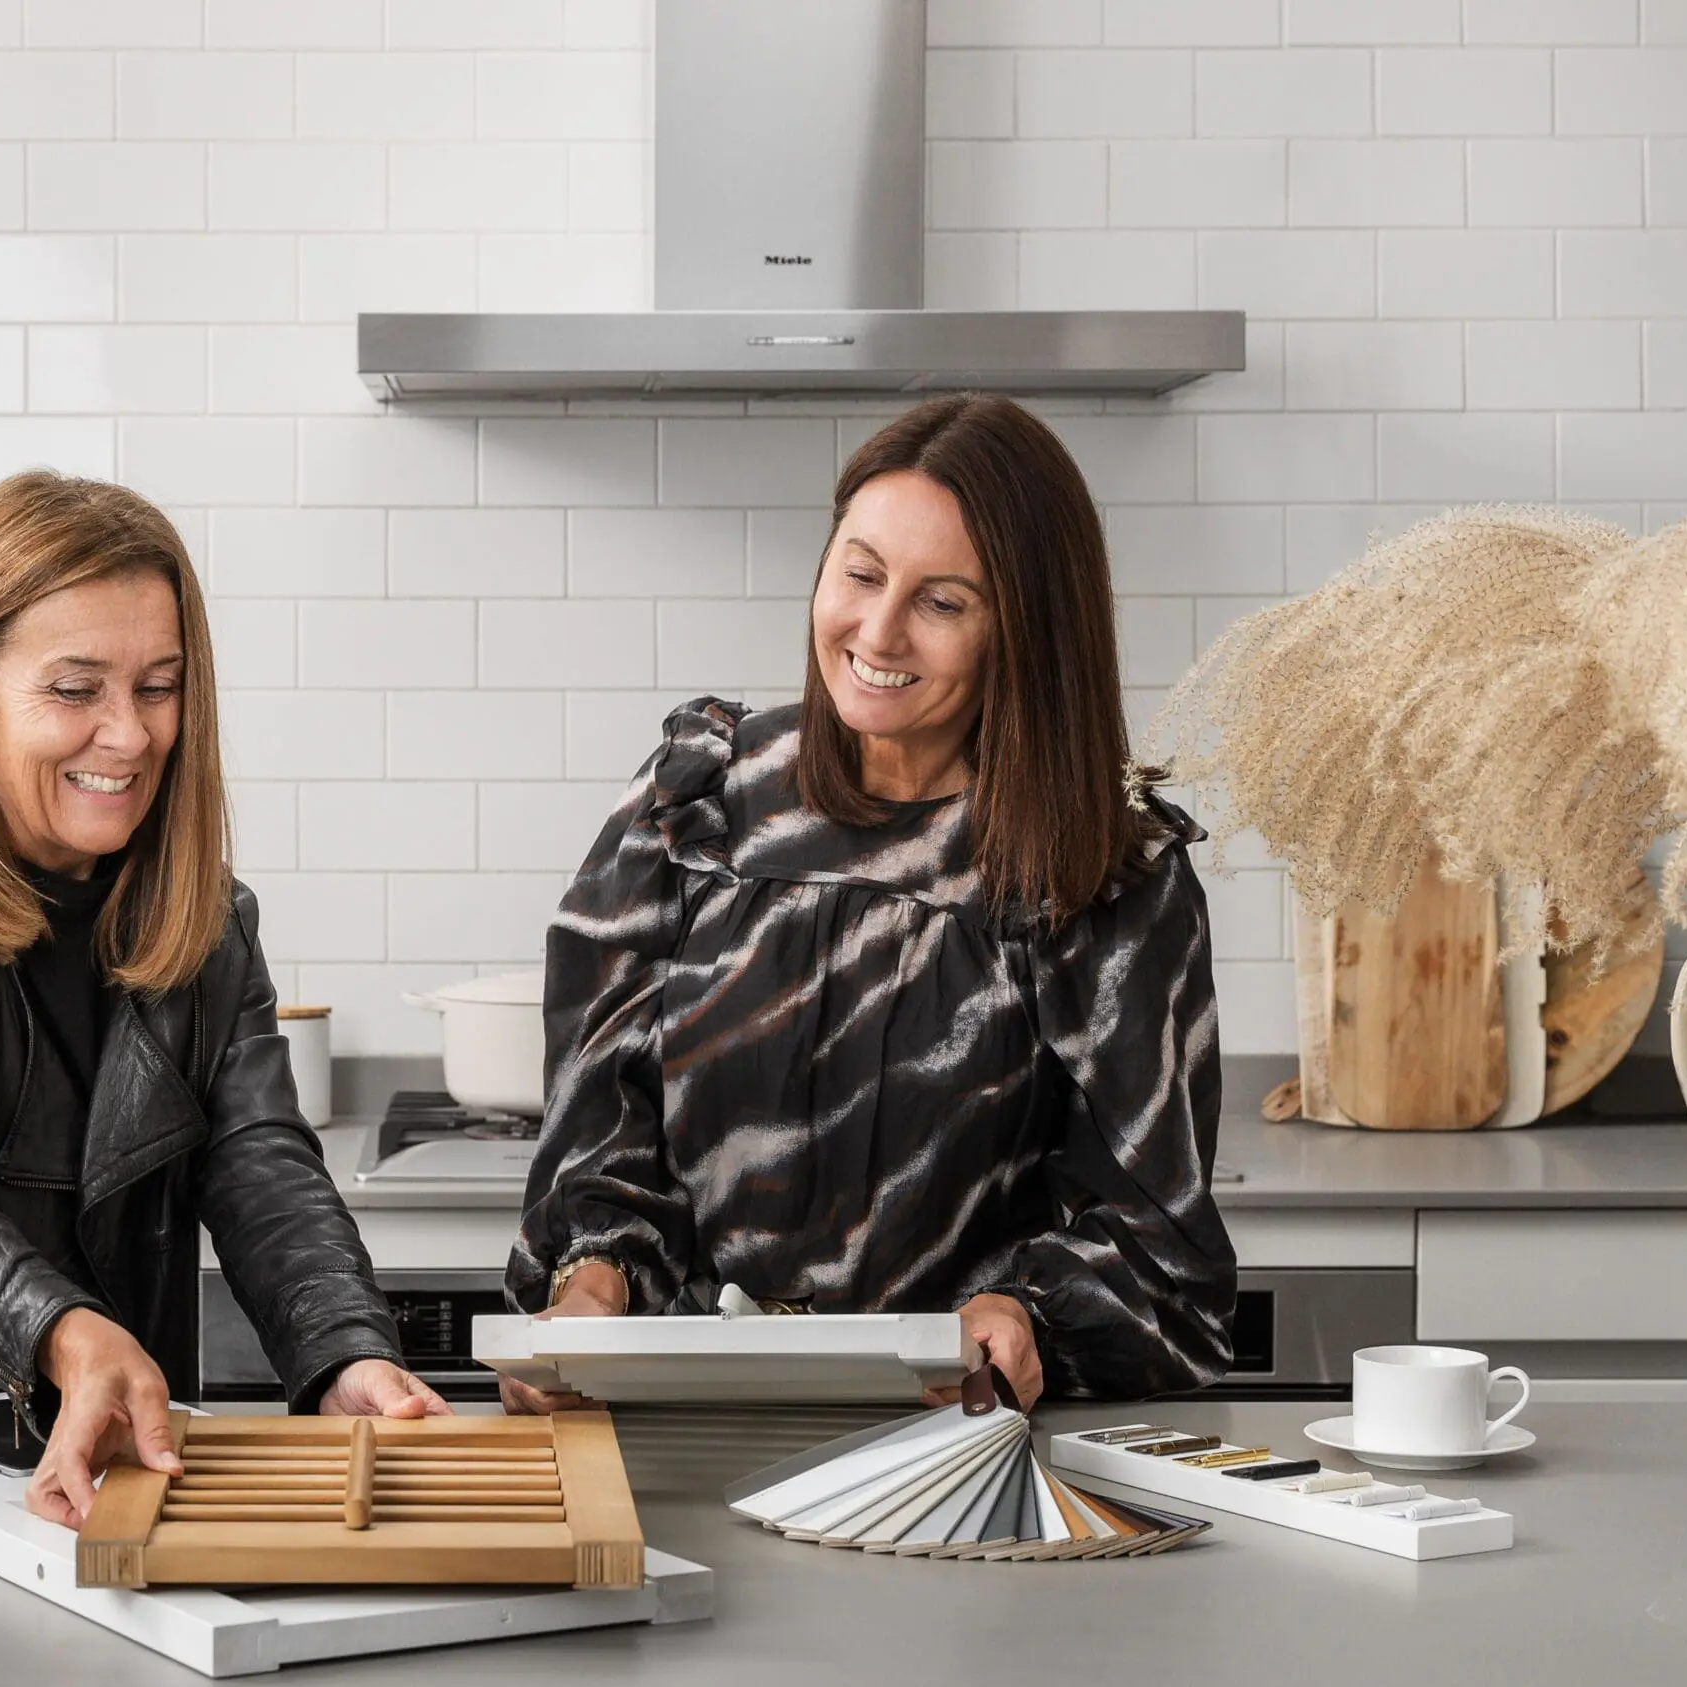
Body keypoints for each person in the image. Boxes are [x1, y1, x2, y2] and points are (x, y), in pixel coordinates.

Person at [504, 394, 1237, 1414]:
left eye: (942, 601)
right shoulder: (695, 804)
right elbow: (603, 1141)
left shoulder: (1104, 870)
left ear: (1022, 630)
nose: (877, 630)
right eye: (859, 572)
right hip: (675, 1425)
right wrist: (591, 1287)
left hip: (954, 1453)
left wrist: (1024, 1313)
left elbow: (1153, 1243)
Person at [0, 471, 445, 1529]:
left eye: (157, 687)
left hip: (120, 1460)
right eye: (76, 690)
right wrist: (67, 1330)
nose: (127, 736)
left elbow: (259, 1156)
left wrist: (344, 1349)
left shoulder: (204, 917)